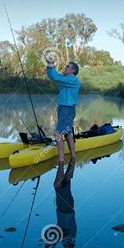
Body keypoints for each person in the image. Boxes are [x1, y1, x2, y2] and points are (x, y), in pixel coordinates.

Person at [45, 58, 80, 187]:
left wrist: (51, 65)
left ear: (73, 71)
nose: (65, 67)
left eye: (67, 66)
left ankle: (61, 160)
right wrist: (50, 67)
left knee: (58, 133)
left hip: (67, 109)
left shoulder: (72, 79)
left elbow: (55, 77)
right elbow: (53, 76)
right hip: (64, 108)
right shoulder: (66, 79)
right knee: (68, 132)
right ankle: (73, 156)